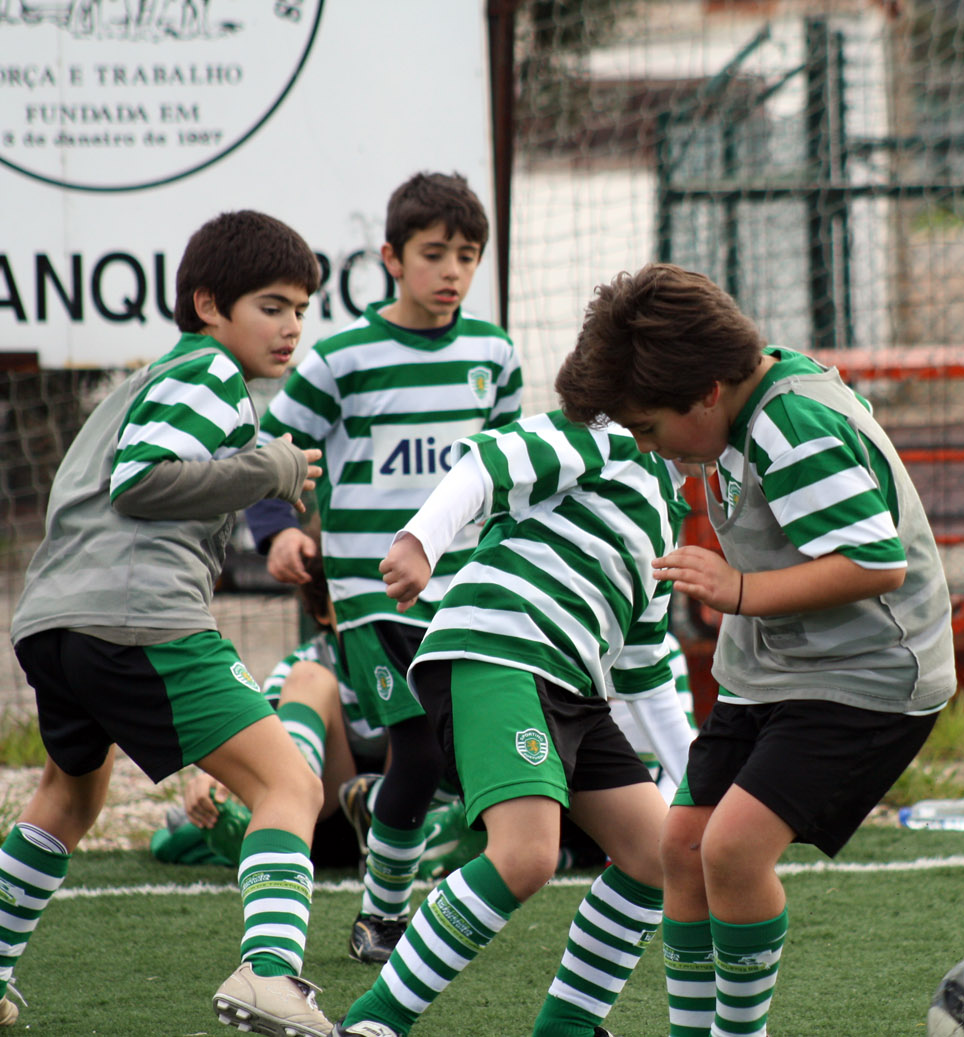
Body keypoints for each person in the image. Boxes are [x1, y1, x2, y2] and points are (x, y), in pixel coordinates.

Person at [554, 262, 957, 1037]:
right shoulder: (740, 407)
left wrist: (737, 589)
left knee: (733, 852)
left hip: (867, 676)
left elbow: (876, 563)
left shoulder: (789, 425)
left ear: (706, 391)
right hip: (769, 668)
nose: (647, 447)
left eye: (648, 428)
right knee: (682, 846)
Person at [4, 210, 334, 1036]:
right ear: (208, 305)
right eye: (271, 305)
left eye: (301, 308)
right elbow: (142, 480)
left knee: (68, 797)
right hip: (136, 617)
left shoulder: (143, 382)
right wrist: (268, 467)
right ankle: (268, 974)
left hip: (54, 620)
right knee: (290, 783)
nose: (291, 326)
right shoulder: (209, 372)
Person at [332, 409, 686, 1037]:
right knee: (526, 855)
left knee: (656, 856)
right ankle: (371, 1023)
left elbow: (642, 665)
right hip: (499, 650)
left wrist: (697, 782)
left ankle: (566, 1029)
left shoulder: (667, 509)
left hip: (572, 687)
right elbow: (487, 464)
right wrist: (420, 541)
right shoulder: (608, 434)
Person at [244, 171, 523, 965]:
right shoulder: (341, 358)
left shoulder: (494, 354)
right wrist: (277, 531)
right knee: (421, 750)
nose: (452, 271)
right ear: (391, 259)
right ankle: (383, 916)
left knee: (457, 759)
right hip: (373, 597)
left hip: (465, 596)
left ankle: (393, 864)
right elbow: (273, 453)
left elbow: (506, 472)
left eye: (467, 255)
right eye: (434, 254)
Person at [153, 548, 389, 869]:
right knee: (308, 679)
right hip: (320, 824)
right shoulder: (303, 663)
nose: (371, 613)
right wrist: (217, 783)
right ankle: (283, 810)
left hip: (409, 818)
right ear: (323, 609)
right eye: (352, 598)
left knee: (425, 686)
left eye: (386, 595)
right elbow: (261, 742)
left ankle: (421, 834)